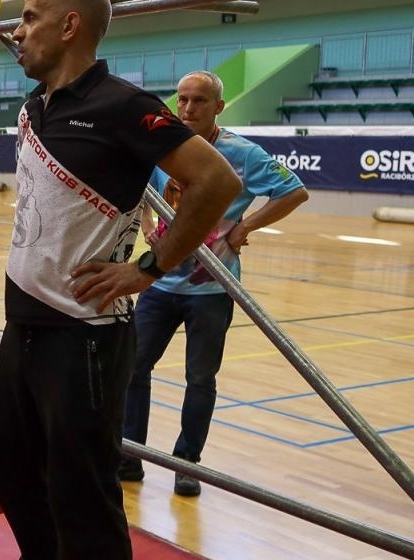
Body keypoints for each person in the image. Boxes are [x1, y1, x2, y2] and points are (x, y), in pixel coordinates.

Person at [0, 0, 239, 560]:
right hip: (24, 323)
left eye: (27, 18)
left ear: (68, 25)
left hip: (84, 334)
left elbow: (214, 182)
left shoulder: (124, 106)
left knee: (83, 493)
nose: (15, 30)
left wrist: (149, 268)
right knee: (8, 466)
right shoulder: (37, 105)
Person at [119, 71, 309, 496]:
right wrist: (150, 221)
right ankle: (129, 454)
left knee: (200, 379)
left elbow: (294, 191)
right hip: (159, 281)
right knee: (133, 366)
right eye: (182, 100)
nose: (188, 109)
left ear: (219, 107)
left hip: (211, 289)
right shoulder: (162, 143)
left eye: (199, 101)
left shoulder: (242, 154)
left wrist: (247, 227)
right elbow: (142, 189)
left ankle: (188, 462)